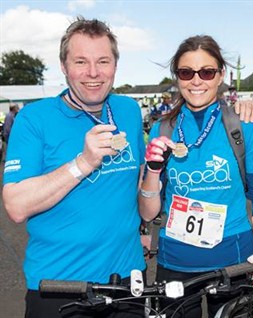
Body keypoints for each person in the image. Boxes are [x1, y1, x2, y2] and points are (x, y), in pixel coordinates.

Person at [2, 17, 147, 318]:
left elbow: (135, 181)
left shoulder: (129, 111)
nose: (93, 73)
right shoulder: (33, 119)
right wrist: (83, 163)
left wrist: (142, 228)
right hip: (59, 287)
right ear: (64, 66)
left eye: (103, 61)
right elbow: (15, 205)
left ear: (115, 66)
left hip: (127, 283)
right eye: (81, 61)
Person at [138, 35, 253, 318]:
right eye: (187, 72)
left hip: (235, 261)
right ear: (177, 77)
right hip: (175, 263)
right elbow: (148, 211)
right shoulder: (162, 129)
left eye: (207, 72)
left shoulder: (243, 125)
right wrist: (152, 171)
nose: (197, 81)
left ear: (221, 75)